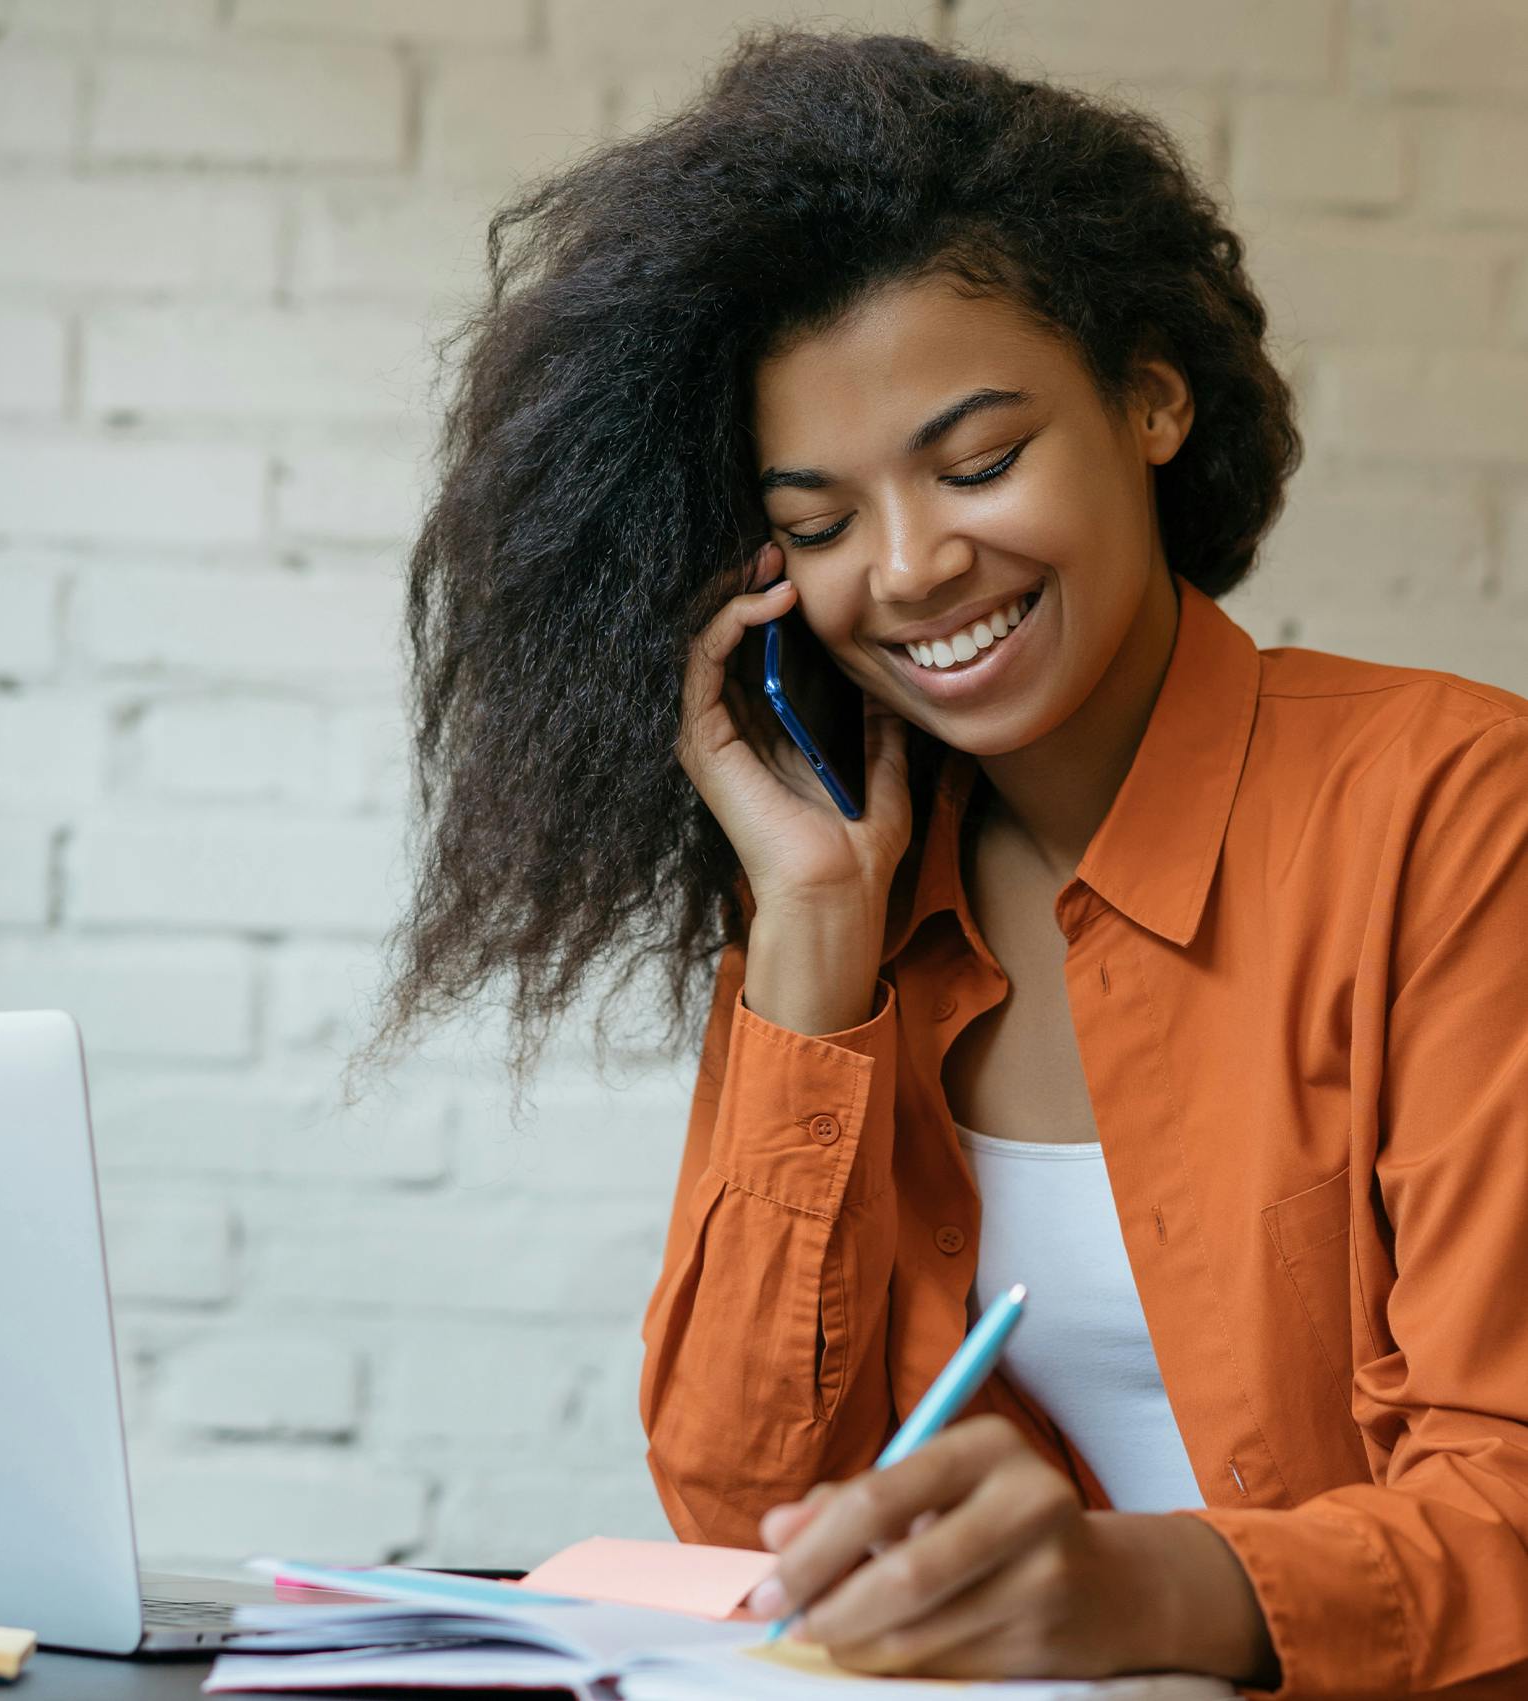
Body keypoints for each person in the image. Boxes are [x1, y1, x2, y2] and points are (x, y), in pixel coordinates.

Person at [359, 26, 1528, 1700]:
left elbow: (1512, 1508)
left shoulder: (1453, 807)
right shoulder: (856, 893)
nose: (910, 567)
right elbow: (740, 1502)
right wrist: (810, 943)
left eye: (979, 461)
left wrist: (1126, 1591)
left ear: (1152, 396)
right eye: (820, 524)